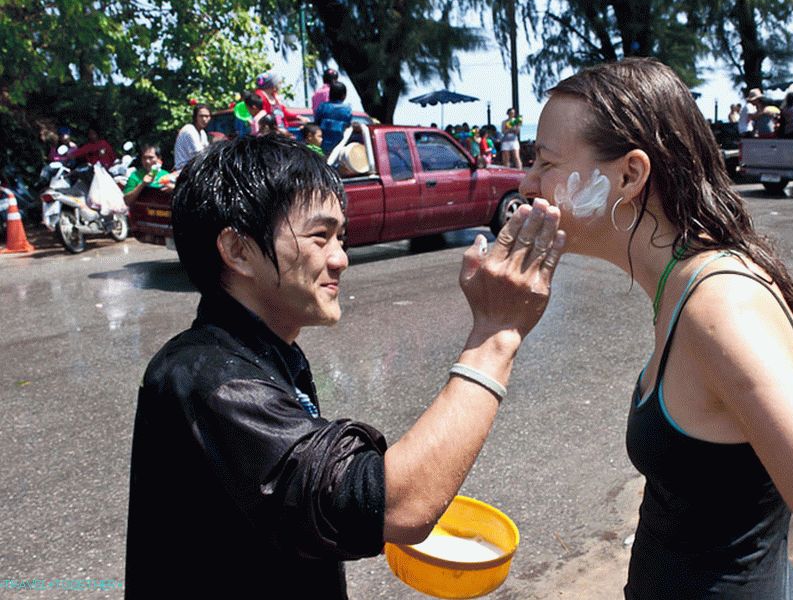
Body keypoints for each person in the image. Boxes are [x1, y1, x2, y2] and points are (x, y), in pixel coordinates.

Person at [521, 58, 793, 599]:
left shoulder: (719, 312)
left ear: (630, 176)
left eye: (545, 162)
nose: (527, 181)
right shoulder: (684, 284)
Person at [124, 134, 565, 598]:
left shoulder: (260, 351)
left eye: (341, 238)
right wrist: (496, 335)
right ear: (237, 250)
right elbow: (395, 506)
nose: (341, 259)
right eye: (320, 236)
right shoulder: (210, 380)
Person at [314, 81, 352, 154]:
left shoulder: (322, 107)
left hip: (322, 146)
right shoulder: (347, 110)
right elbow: (348, 127)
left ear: (330, 94)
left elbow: (316, 123)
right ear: (344, 95)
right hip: (339, 147)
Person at [173, 103, 211, 171]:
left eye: (207, 116)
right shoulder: (189, 130)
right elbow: (200, 155)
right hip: (183, 171)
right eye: (201, 116)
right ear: (195, 117)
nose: (204, 119)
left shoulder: (202, 133)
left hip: (195, 169)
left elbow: (207, 152)